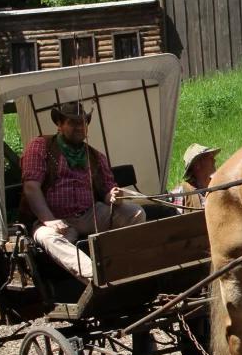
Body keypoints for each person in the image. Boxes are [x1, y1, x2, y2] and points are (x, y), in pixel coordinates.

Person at [21, 101, 145, 281]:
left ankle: (127, 265)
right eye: (72, 122)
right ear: (59, 124)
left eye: (82, 123)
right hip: (54, 218)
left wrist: (114, 196)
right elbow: (31, 187)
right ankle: (96, 277)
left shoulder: (95, 156)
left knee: (135, 213)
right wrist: (49, 220)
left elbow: (107, 191)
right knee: (48, 238)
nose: (79, 127)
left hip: (89, 214)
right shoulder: (41, 146)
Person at [169, 143, 220, 212]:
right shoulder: (182, 193)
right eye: (210, 157)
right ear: (197, 165)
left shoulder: (218, 187)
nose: (214, 160)